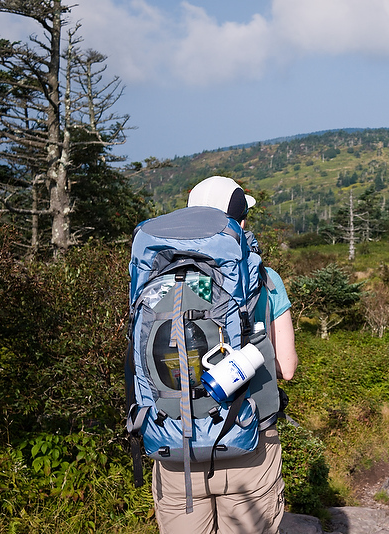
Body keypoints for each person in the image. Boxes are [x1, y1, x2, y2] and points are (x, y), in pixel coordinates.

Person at [151, 176, 298, 534]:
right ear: (238, 221)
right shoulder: (265, 279)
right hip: (249, 442)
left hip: (177, 444)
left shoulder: (160, 278)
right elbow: (287, 368)